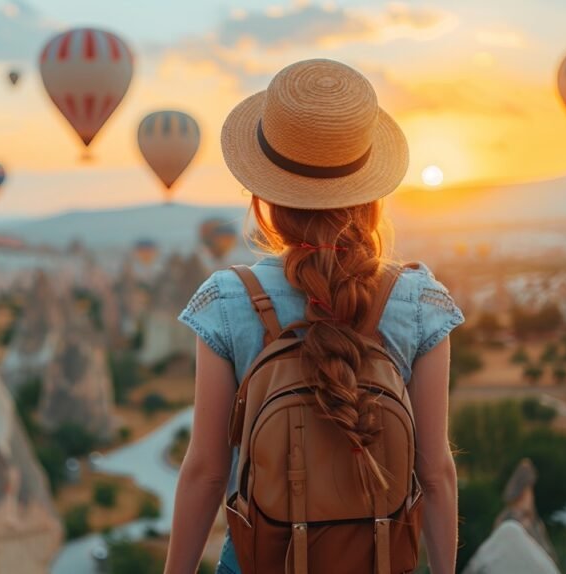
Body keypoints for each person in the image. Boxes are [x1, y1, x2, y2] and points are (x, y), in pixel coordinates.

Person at [164, 59, 463, 574]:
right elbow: (434, 472)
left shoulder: (229, 298)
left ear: (263, 199)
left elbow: (207, 473)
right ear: (372, 195)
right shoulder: (418, 299)